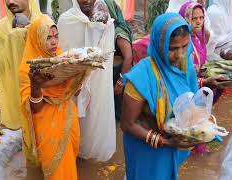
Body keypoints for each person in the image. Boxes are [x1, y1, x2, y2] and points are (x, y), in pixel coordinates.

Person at [120, 13, 200, 180]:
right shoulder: (141, 77)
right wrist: (164, 141)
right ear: (159, 44)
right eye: (172, 48)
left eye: (185, 46)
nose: (179, 54)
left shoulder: (184, 65)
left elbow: (185, 92)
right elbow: (127, 124)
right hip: (146, 151)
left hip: (171, 147)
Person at [19, 15, 83, 180]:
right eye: (48, 37)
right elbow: (35, 108)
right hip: (47, 122)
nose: (54, 42)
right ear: (36, 39)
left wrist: (80, 76)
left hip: (69, 115)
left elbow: (73, 93)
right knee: (56, 167)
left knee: (69, 161)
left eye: (56, 36)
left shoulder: (62, 57)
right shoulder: (27, 69)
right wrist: (35, 86)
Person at [58, 0, 116, 161]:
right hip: (74, 81)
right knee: (74, 116)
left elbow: (107, 54)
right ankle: (73, 148)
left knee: (96, 113)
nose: (88, 0)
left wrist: (100, 26)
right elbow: (62, 55)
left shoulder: (105, 19)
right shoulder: (66, 21)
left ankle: (92, 150)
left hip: (99, 80)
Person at [0, 0, 42, 164]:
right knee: (28, 134)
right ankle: (33, 165)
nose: (10, 1)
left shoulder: (43, 22)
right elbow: (0, 65)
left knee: (47, 132)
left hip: (44, 88)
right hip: (19, 88)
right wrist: (17, 35)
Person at [104, 0, 133, 120]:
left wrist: (120, 82)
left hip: (119, 76)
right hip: (115, 75)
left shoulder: (118, 32)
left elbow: (128, 57)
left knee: (118, 113)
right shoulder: (107, 29)